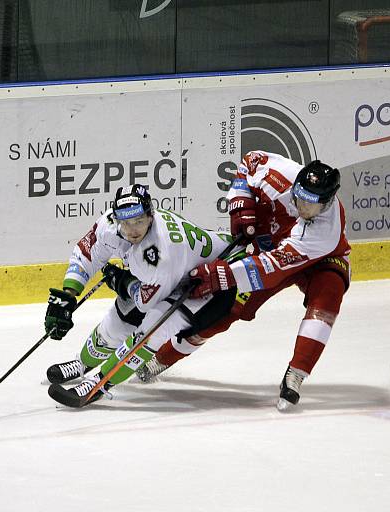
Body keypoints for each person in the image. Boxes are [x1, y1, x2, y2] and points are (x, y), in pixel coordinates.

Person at [147, 151, 351, 410]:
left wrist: (225, 276)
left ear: (328, 202)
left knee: (328, 295)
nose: (303, 206)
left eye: (312, 203)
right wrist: (241, 204)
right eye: (301, 195)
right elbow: (249, 162)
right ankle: (161, 359)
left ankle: (297, 373)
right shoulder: (281, 174)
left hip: (319, 258)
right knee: (225, 311)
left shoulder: (324, 231)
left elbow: (272, 267)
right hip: (272, 247)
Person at [43, 184, 242, 408]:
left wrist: (124, 282)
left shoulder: (160, 253)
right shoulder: (109, 225)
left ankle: (100, 383)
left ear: (150, 215)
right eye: (126, 223)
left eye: (138, 221)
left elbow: (146, 303)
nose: (132, 230)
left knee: (152, 330)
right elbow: (87, 254)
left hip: (211, 283)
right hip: (173, 276)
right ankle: (82, 364)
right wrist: (69, 294)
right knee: (118, 323)